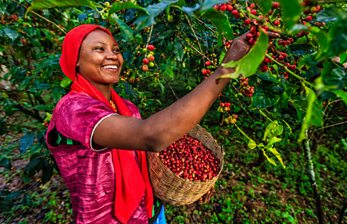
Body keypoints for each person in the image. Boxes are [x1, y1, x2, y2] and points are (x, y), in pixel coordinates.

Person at [45, 24, 252, 224]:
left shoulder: (127, 108)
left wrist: (189, 183)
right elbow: (151, 136)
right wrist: (225, 69)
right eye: (99, 49)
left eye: (116, 50)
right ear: (76, 60)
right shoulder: (72, 109)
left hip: (151, 214)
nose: (112, 56)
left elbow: (144, 161)